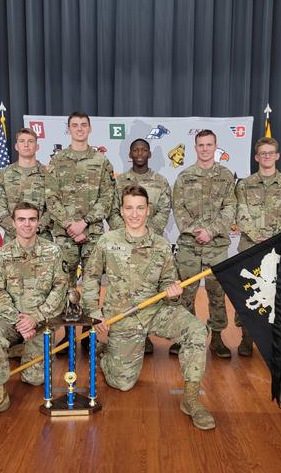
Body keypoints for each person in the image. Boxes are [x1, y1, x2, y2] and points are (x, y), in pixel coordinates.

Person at [83, 185, 214, 430]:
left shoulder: (161, 245)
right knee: (122, 383)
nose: (134, 214)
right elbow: (90, 278)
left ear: (148, 211)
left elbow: (167, 282)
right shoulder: (107, 242)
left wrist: (173, 292)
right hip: (122, 318)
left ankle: (192, 398)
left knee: (196, 330)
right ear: (121, 211)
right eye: (129, 208)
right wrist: (94, 314)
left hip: (155, 311)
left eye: (140, 208)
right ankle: (105, 351)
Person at [0, 202, 68, 426]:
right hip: (10, 318)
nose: (27, 224)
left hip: (42, 320)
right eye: (22, 220)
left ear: (38, 222)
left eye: (32, 219)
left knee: (34, 380)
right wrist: (19, 320)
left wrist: (36, 317)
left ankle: (21, 348)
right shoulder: (3, 255)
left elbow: (60, 288)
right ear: (14, 223)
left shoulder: (52, 252)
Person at [45, 112, 115, 349]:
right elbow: (50, 197)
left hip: (92, 232)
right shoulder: (57, 161)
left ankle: (88, 335)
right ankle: (68, 334)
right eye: (74, 125)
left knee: (91, 284)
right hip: (65, 235)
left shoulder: (101, 161)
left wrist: (84, 222)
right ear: (69, 129)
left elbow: (107, 197)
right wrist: (69, 225)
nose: (79, 129)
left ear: (89, 128)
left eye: (83, 125)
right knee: (65, 283)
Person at [234, 136, 281, 356]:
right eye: (262, 153)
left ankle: (273, 341)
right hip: (249, 248)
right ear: (256, 157)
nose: (266, 156)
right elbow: (240, 214)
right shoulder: (244, 185)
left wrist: (272, 239)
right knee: (249, 293)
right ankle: (247, 338)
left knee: (276, 295)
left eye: (270, 153)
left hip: (278, 249)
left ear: (277, 156)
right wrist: (258, 237)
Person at [171, 129, 236, 357]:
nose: (205, 149)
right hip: (190, 246)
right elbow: (178, 209)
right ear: (195, 147)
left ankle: (217, 338)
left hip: (216, 246)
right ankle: (184, 336)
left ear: (215, 146)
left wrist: (211, 231)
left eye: (209, 145)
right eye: (201, 145)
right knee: (185, 293)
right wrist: (196, 232)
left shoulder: (226, 176)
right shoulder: (184, 176)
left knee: (217, 292)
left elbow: (230, 208)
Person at [108, 138, 172, 354]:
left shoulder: (160, 181)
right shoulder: (120, 181)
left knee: (147, 289)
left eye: (144, 149)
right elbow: (113, 210)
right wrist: (126, 232)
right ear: (130, 153)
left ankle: (144, 335)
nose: (140, 153)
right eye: (135, 149)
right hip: (123, 242)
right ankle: (127, 331)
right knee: (125, 290)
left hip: (150, 244)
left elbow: (164, 209)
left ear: (150, 154)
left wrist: (147, 233)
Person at [0, 128, 52, 242]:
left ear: (37, 147)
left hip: (42, 238)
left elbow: (53, 206)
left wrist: (35, 228)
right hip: (12, 239)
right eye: (22, 141)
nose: (26, 145)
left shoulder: (48, 174)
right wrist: (17, 229)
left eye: (30, 141)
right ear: (16, 146)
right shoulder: (4, 174)